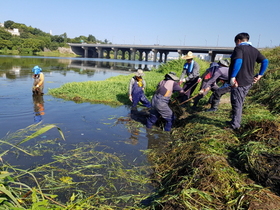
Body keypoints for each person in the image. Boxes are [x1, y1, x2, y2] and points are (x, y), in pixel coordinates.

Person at [227, 32, 269, 130]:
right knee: (238, 101)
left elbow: (239, 61)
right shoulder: (254, 50)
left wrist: (233, 77)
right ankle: (234, 120)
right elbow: (265, 61)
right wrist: (260, 75)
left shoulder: (239, 48)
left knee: (237, 102)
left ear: (238, 41)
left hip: (239, 81)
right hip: (248, 81)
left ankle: (235, 125)